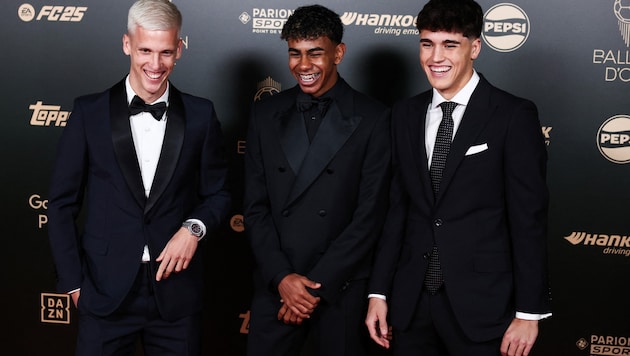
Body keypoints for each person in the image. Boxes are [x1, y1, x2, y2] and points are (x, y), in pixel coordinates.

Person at [365, 0, 551, 355]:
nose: (436, 56)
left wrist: (529, 312)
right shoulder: (404, 114)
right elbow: (396, 211)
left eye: (450, 44)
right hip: (411, 305)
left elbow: (529, 220)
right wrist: (379, 292)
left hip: (484, 308)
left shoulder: (512, 115)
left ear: (475, 47)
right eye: (427, 43)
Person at [47, 0, 231, 354]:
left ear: (179, 49)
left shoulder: (200, 114)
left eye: (165, 52)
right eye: (145, 50)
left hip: (176, 295)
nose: (155, 64)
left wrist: (194, 228)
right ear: (127, 44)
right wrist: (73, 284)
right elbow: (61, 204)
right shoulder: (89, 112)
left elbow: (219, 193)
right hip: (103, 292)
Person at [243, 4, 391, 356]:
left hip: (340, 290)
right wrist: (282, 279)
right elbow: (254, 208)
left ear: (338, 52)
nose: (303, 65)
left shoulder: (374, 118)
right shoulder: (265, 114)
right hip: (276, 287)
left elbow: (369, 216)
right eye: (295, 53)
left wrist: (311, 291)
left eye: (315, 53)